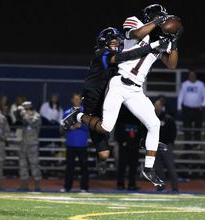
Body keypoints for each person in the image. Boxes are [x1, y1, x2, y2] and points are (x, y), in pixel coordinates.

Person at [62, 4, 182, 187]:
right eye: (160, 17)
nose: (163, 21)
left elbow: (172, 64)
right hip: (119, 83)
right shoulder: (135, 22)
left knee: (154, 123)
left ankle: (148, 169)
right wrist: (157, 25)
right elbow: (136, 34)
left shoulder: (160, 41)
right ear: (153, 17)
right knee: (106, 127)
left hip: (136, 90)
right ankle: (76, 115)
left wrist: (173, 42)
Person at [62, 93, 89, 192]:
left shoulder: (86, 113)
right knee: (70, 167)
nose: (77, 101)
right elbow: (62, 128)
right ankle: (67, 187)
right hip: (70, 144)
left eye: (79, 99)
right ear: (72, 100)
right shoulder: (67, 112)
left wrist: (81, 126)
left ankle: (84, 188)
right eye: (75, 99)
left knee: (84, 167)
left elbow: (90, 126)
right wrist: (70, 127)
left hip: (82, 144)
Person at [177, 69, 205, 149]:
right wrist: (179, 107)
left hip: (198, 110)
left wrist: (203, 105)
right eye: (190, 75)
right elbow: (181, 96)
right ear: (189, 76)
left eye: (193, 75)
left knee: (198, 127)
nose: (192, 76)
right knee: (187, 127)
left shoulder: (200, 84)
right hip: (187, 109)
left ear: (195, 75)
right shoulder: (184, 84)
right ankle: (187, 145)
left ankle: (197, 145)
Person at [153, 99, 179, 193]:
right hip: (154, 145)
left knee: (170, 167)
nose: (156, 107)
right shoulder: (151, 117)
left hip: (166, 145)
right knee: (157, 167)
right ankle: (160, 187)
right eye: (155, 105)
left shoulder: (168, 118)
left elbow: (173, 132)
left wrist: (170, 142)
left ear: (161, 107)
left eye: (158, 105)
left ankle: (175, 187)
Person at [115, 105, 142, 191]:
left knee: (133, 167)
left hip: (134, 147)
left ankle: (131, 184)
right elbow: (117, 133)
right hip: (124, 147)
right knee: (122, 166)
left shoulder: (138, 120)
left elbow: (140, 133)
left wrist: (138, 143)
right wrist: (122, 142)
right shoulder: (121, 119)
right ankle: (120, 184)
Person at [16, 101, 42, 191]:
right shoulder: (24, 116)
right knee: (22, 165)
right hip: (24, 143)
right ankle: (24, 184)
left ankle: (37, 185)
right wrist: (18, 111)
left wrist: (24, 113)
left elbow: (30, 122)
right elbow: (16, 117)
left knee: (34, 164)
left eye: (25, 109)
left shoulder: (36, 116)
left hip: (33, 144)